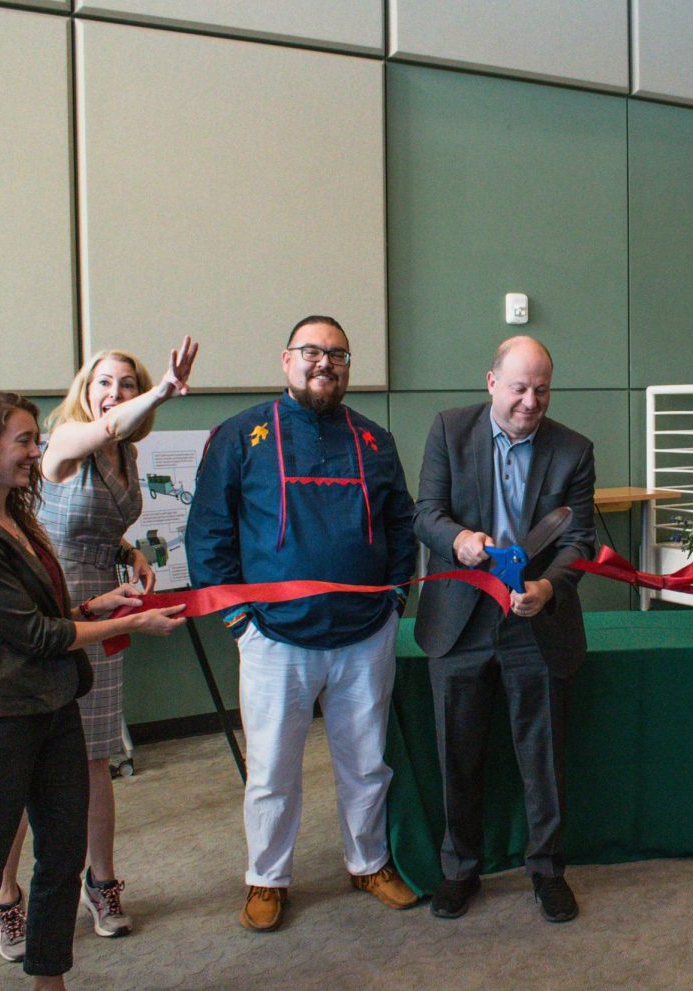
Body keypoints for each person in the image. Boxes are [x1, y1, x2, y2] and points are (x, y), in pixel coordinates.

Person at [0, 391, 185, 991]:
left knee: (64, 856)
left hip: (52, 708)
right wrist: (129, 623)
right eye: (24, 441)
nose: (37, 451)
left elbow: (40, 612)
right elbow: (34, 633)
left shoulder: (16, 515)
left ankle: (50, 979)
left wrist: (97, 604)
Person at [185, 315, 419, 931]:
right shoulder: (240, 437)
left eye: (338, 354)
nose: (325, 363)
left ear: (348, 366)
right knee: (271, 770)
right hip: (273, 640)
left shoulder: (375, 440)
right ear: (285, 359)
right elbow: (207, 533)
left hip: (366, 633)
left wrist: (393, 602)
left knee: (367, 761)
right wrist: (240, 620)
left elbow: (402, 526)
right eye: (312, 351)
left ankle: (368, 862)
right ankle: (267, 879)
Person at [0, 338, 198, 957]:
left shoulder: (126, 457)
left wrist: (128, 552)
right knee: (24, 763)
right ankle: (6, 898)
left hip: (105, 608)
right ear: (85, 389)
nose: (115, 394)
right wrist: (165, 388)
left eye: (128, 385)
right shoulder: (63, 444)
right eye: (105, 382)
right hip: (47, 610)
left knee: (96, 757)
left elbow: (103, 525)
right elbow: (99, 432)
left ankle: (100, 880)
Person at [413, 335, 596, 923]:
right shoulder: (448, 430)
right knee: (457, 753)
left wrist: (548, 588)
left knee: (542, 759)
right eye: (519, 387)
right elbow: (426, 514)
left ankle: (546, 871)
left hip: (535, 622)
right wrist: (459, 540)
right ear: (491, 382)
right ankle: (459, 870)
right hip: (460, 620)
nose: (530, 401)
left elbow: (579, 541)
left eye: (542, 389)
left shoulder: (574, 450)